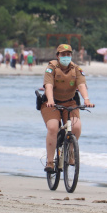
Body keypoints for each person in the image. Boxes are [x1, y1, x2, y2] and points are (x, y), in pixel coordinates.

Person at [42, 44, 93, 173]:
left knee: (76, 127)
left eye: (68, 54)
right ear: (57, 56)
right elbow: (48, 85)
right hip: (51, 103)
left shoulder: (76, 69)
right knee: (53, 127)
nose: (66, 57)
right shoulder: (51, 68)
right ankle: (49, 162)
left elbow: (81, 85)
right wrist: (51, 100)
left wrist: (86, 99)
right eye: (63, 54)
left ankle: (70, 153)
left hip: (70, 102)